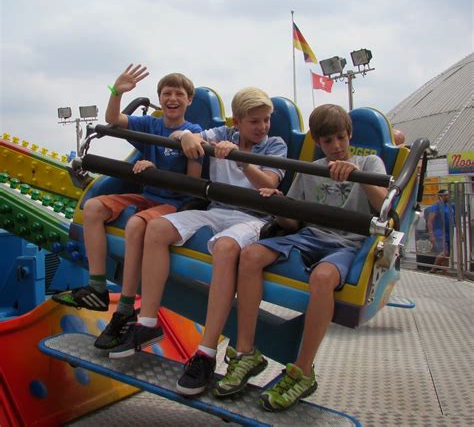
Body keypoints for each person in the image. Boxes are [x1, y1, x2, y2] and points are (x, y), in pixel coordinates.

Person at [107, 87, 288, 395]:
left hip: (252, 217)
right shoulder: (221, 132)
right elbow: (186, 135)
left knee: (225, 247)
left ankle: (206, 352)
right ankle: (148, 322)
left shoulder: (274, 144)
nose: (262, 127)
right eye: (255, 121)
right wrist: (188, 138)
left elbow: (269, 183)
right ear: (238, 121)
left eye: (266, 120)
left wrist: (242, 161)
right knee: (157, 229)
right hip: (216, 210)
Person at [213, 104, 388, 412]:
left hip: (347, 244)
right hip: (310, 236)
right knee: (251, 255)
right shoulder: (311, 169)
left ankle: (303, 370)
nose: (335, 147)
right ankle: (245, 351)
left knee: (322, 278)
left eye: (339, 139)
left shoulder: (369, 162)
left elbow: (385, 206)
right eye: (327, 141)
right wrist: (278, 205)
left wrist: (359, 177)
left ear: (349, 136)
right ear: (318, 143)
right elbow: (292, 222)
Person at [53, 64, 203, 350]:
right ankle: (97, 287)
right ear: (160, 99)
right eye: (167, 93)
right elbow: (113, 118)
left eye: (179, 94)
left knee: (135, 223)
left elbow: (191, 186)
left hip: (176, 203)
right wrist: (116, 91)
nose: (172, 98)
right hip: (148, 195)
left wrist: (155, 168)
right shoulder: (151, 125)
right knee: (94, 208)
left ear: (189, 100)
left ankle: (124, 307)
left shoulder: (194, 132)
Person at [427, 189, 453, 274]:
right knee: (444, 252)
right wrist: (431, 235)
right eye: (445, 195)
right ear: (440, 197)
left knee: (447, 255)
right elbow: (430, 221)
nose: (448, 197)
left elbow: (454, 220)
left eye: (448, 195)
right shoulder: (436, 206)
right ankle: (433, 269)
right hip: (439, 232)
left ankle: (445, 272)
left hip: (449, 233)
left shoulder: (449, 206)